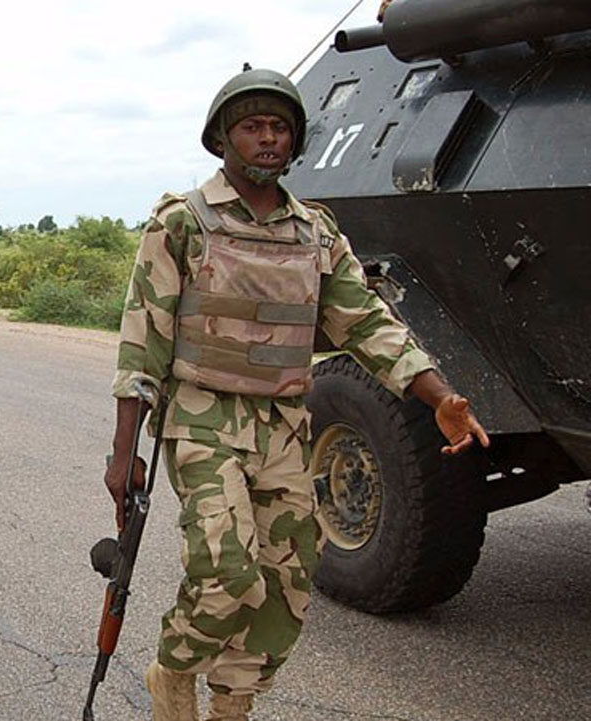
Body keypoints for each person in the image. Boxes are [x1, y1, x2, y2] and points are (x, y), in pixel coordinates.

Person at [104, 69, 489, 721]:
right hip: (201, 417)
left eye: (278, 127)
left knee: (286, 582)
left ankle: (232, 701)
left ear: (294, 141)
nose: (267, 138)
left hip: (281, 424)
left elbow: (364, 322)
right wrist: (123, 454)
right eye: (251, 126)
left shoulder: (314, 234)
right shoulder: (181, 221)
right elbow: (142, 339)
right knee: (227, 571)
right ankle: (173, 671)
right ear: (222, 138)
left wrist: (437, 394)